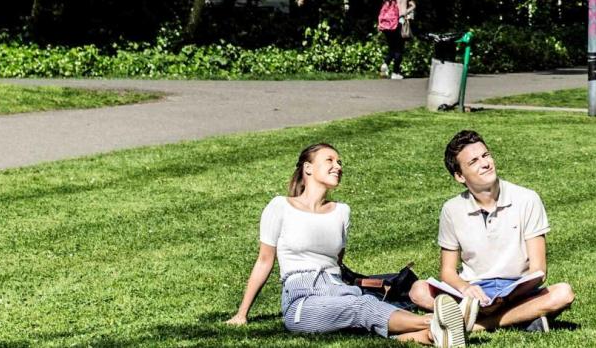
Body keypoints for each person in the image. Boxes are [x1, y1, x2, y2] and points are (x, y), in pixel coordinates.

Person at [227, 143, 456, 344]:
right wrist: (242, 313)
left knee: (366, 311)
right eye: (330, 160)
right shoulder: (280, 206)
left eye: (339, 162)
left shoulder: (341, 212)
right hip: (302, 299)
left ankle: (434, 337)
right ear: (308, 168)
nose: (338, 166)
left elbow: (336, 262)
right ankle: (436, 322)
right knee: (362, 308)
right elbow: (264, 261)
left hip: (338, 288)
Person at [406, 130, 578, 334]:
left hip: (517, 290)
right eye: (474, 161)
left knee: (563, 293)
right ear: (460, 176)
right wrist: (465, 288)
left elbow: (538, 270)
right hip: (474, 290)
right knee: (418, 290)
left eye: (486, 155)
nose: (486, 163)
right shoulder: (451, 209)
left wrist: (506, 298)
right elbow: (448, 272)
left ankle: (477, 324)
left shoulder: (527, 199)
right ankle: (521, 318)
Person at [377, 0, 416, 79]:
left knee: (392, 49)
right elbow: (402, 13)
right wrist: (413, 7)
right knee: (399, 50)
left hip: (387, 27)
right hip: (397, 26)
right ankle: (395, 73)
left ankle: (385, 64)